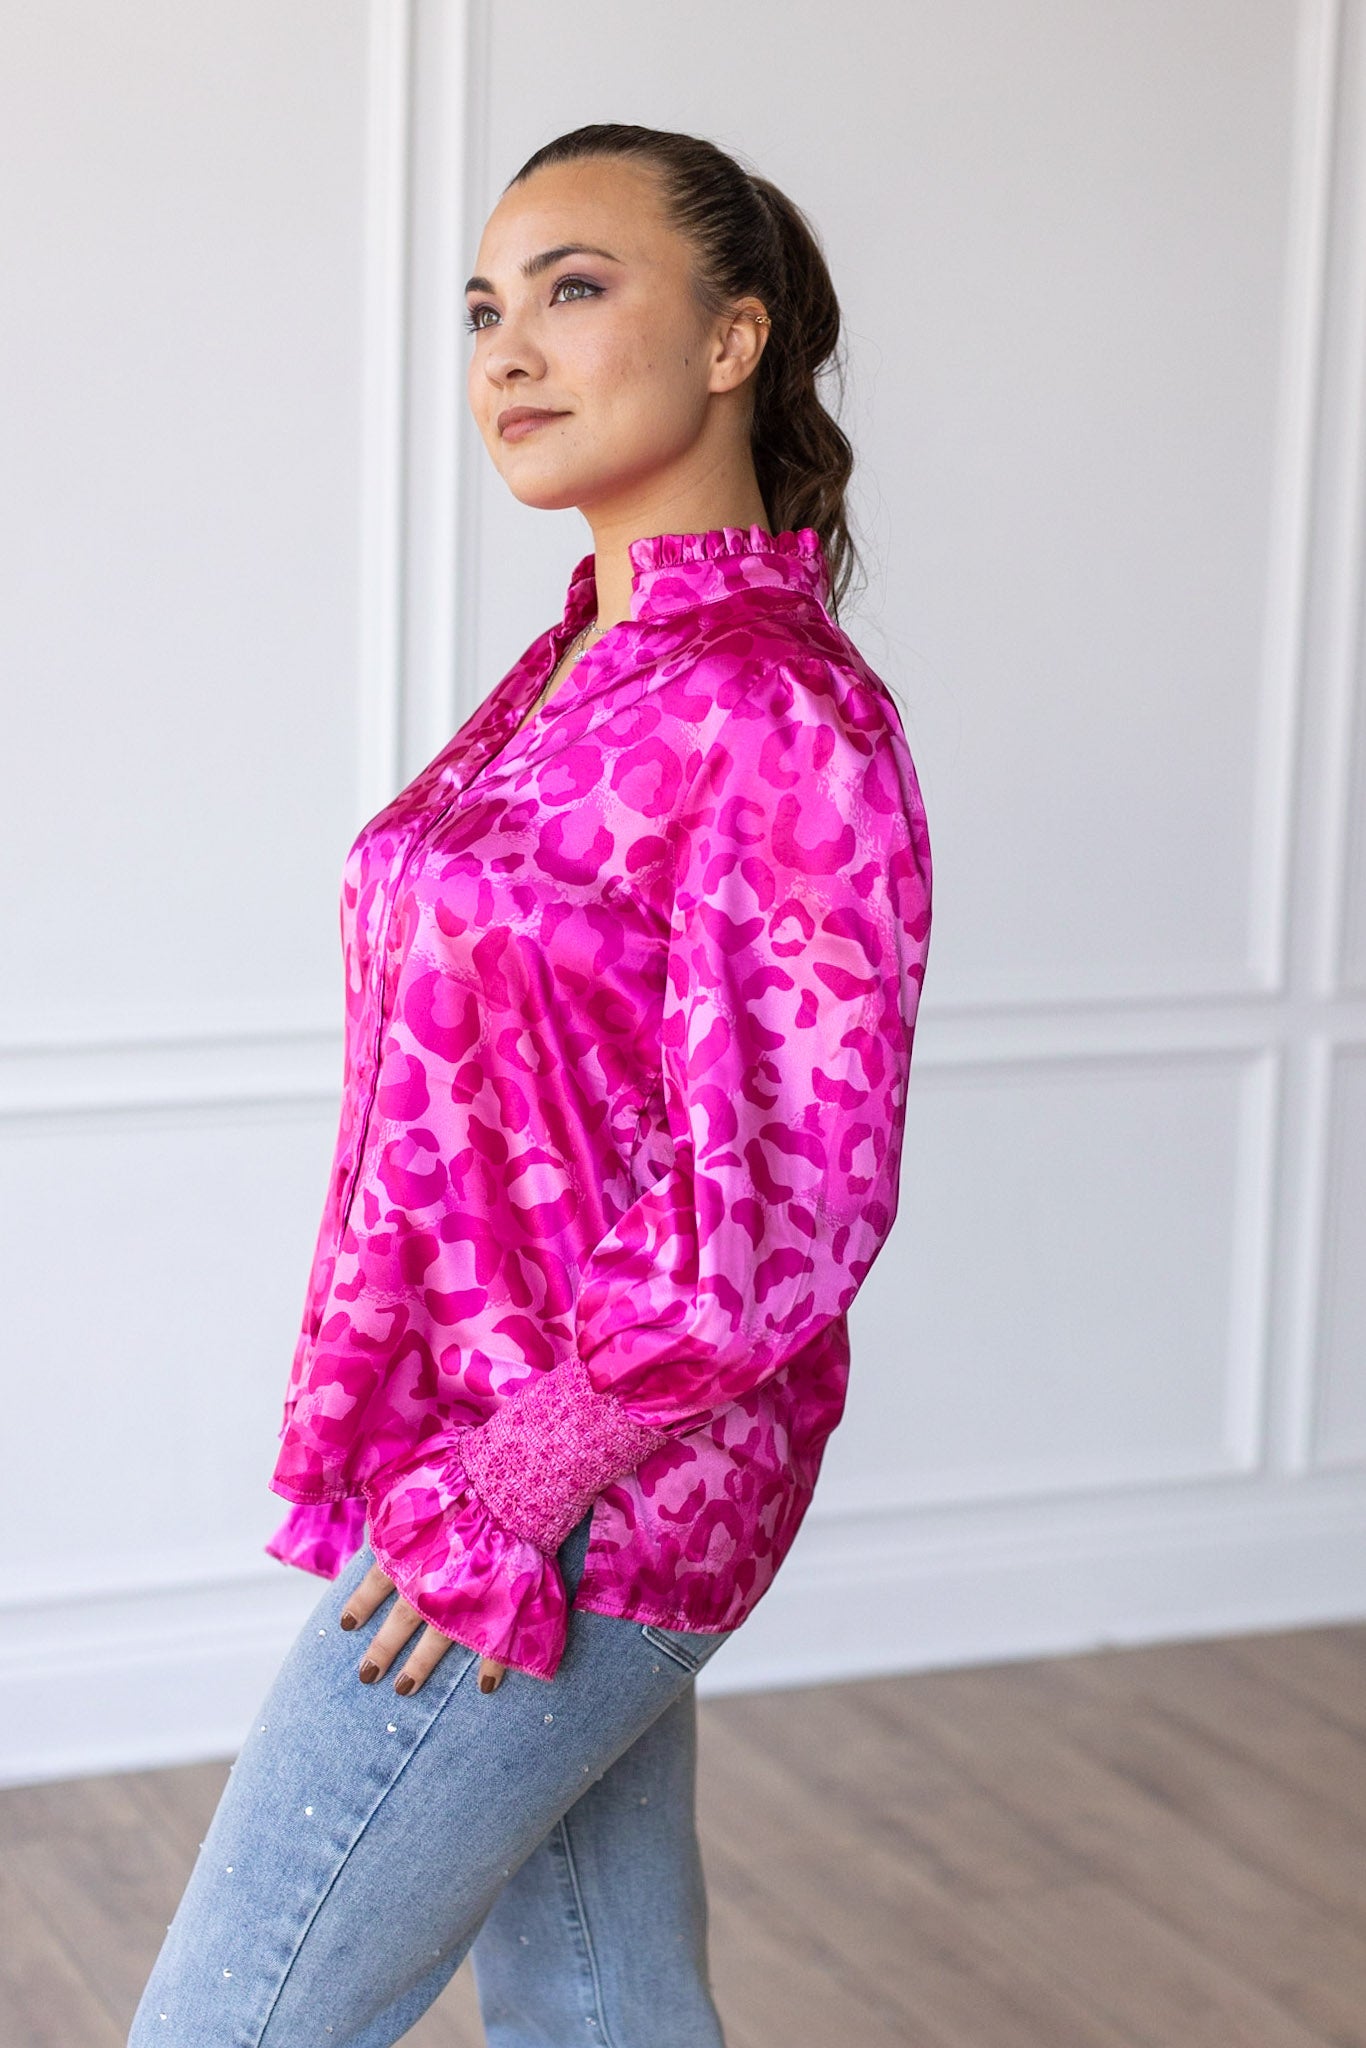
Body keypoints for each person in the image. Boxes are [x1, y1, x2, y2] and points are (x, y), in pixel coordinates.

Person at [128, 121, 932, 2046]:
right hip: (469, 1452)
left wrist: (510, 1489)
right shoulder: (578, 664)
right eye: (486, 307)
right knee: (602, 2003)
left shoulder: (773, 707)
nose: (508, 348)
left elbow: (793, 1201)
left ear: (732, 337)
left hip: (577, 1494)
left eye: (573, 291)